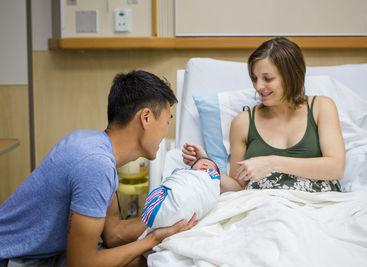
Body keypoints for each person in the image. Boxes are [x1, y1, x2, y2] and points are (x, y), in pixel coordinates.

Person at [0, 70, 197, 267]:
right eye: (166, 122)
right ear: (145, 118)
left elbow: (114, 233)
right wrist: (152, 240)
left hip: (38, 255)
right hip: (12, 259)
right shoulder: (95, 164)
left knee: (149, 260)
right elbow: (81, 263)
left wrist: (172, 218)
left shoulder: (96, 148)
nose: (165, 133)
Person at [182, 37, 345, 193]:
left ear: (291, 76)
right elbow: (238, 187)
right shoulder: (243, 122)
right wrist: (208, 166)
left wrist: (271, 163)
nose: (259, 86)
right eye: (254, 78)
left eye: (268, 78)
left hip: (319, 206)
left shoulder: (322, 107)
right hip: (265, 207)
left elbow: (336, 168)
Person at [141, 158, 220, 229]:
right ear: (191, 168)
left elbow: (212, 192)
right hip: (178, 191)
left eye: (211, 165)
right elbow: (176, 178)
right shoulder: (183, 173)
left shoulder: (212, 178)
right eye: (201, 162)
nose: (205, 164)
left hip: (191, 205)